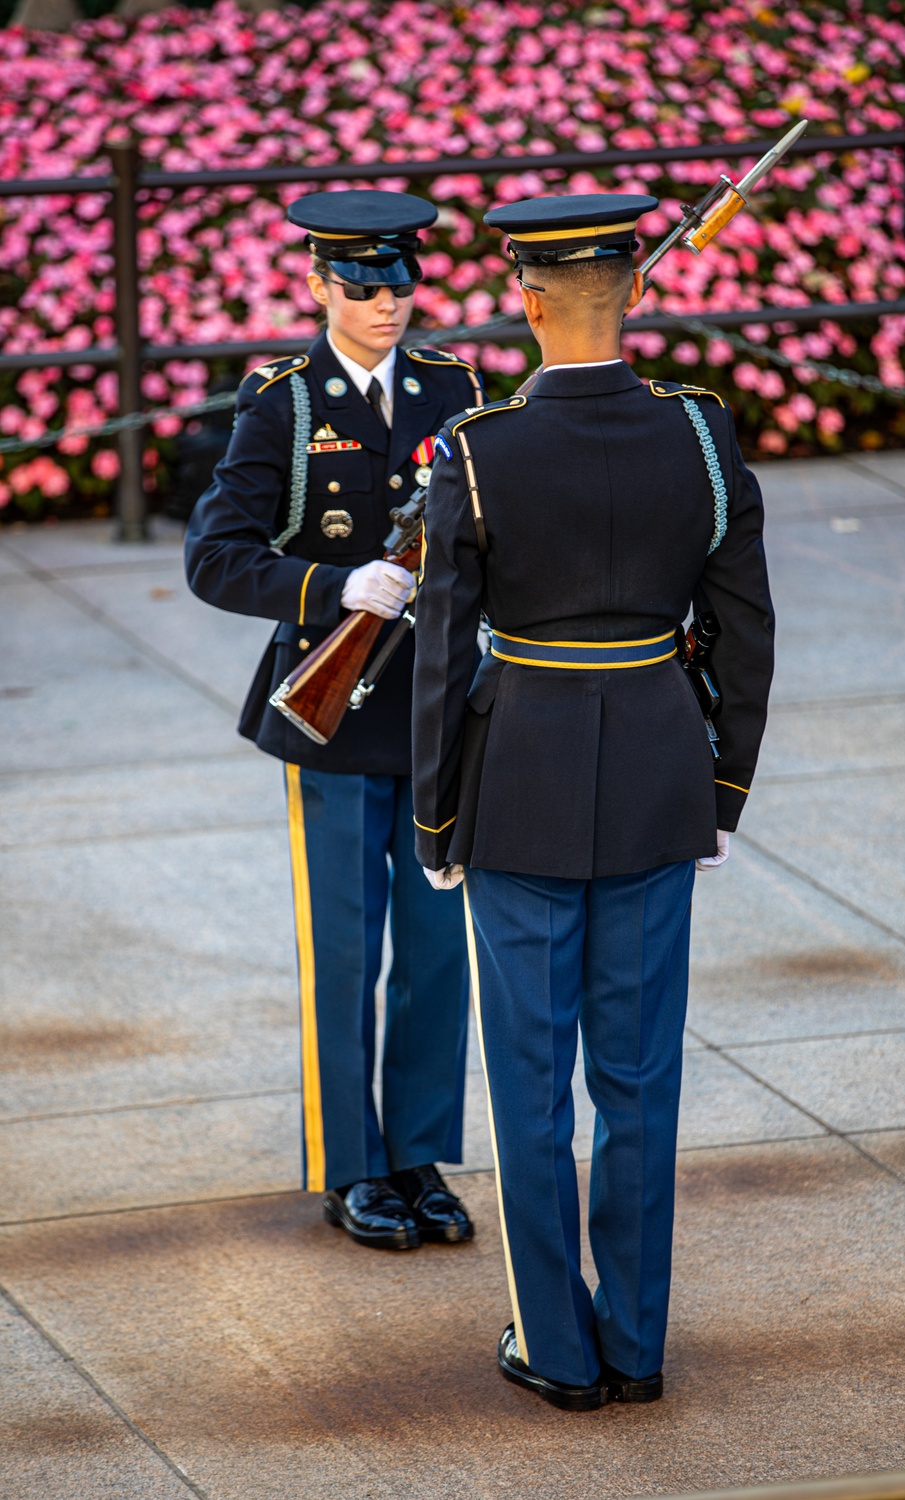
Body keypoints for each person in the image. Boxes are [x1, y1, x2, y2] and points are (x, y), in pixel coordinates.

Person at [411, 193, 774, 1405]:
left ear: (526, 299)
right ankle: (637, 1344)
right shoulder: (703, 439)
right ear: (629, 289)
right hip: (662, 783)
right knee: (637, 1080)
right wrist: (719, 788)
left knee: (527, 1077)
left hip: (516, 788)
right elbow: (745, 631)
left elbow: (442, 652)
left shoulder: (481, 449)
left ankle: (555, 1353)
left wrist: (435, 816)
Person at [186, 189, 483, 1252]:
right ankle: (349, 1164)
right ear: (317, 287)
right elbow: (215, 559)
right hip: (333, 712)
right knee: (345, 948)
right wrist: (334, 589)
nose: (386, 306)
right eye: (361, 289)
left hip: (438, 706)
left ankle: (418, 1155)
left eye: (399, 286)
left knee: (439, 952)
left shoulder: (454, 387)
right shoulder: (284, 404)